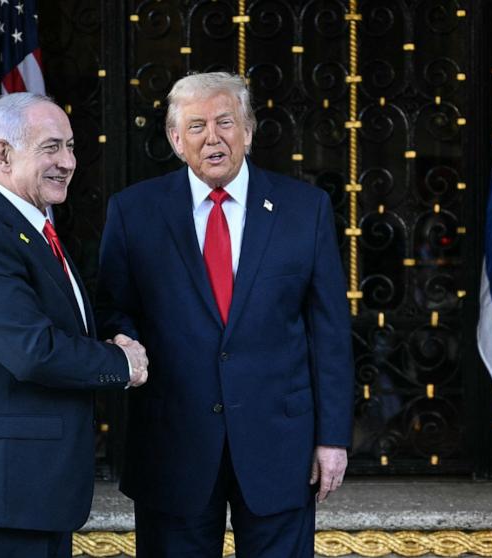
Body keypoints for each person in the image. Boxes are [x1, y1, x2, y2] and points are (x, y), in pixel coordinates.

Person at [96, 72, 354, 557]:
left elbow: (330, 332)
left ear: (249, 131)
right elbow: (113, 308)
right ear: (176, 140)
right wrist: (126, 343)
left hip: (279, 443)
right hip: (172, 443)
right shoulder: (134, 212)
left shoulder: (306, 209)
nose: (212, 138)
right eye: (196, 126)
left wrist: (333, 438)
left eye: (225, 123)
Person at [0, 92, 149, 558]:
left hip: (34, 488)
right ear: (2, 154)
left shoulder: (33, 228)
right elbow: (32, 350)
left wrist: (110, 337)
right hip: (3, 491)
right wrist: (120, 363)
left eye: (70, 146)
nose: (68, 162)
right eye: (51, 147)